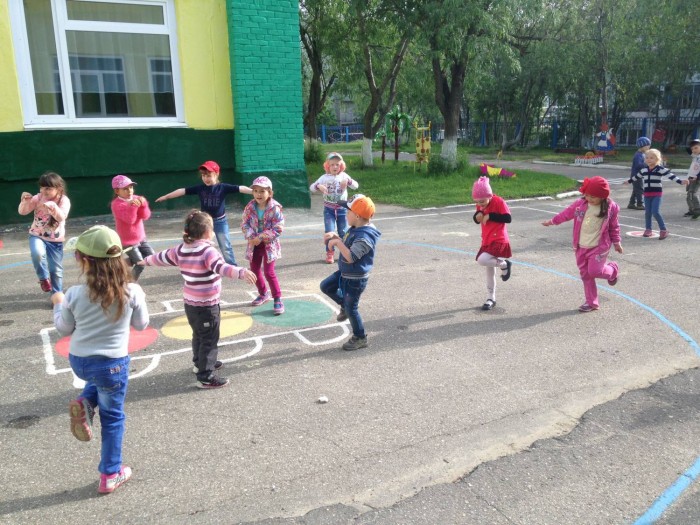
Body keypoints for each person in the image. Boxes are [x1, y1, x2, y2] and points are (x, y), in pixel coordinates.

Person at [52, 225, 149, 494]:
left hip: (80, 361)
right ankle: (110, 474)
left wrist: (58, 304)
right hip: (112, 364)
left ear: (83, 260)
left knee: (98, 381)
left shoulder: (74, 293)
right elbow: (142, 325)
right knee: (113, 417)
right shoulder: (132, 291)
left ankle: (85, 401)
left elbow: (64, 329)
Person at [140, 210, 256, 388]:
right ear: (207, 231)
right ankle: (205, 376)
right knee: (209, 339)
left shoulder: (181, 249)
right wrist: (241, 272)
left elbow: (160, 258)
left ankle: (199, 363)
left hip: (190, 304)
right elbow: (221, 267)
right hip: (206, 304)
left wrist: (144, 260)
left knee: (199, 335)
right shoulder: (207, 251)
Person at [542, 177, 622, 312]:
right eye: (587, 195)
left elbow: (614, 226)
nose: (589, 199)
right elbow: (566, 214)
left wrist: (617, 242)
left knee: (595, 271)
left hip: (599, 247)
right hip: (581, 246)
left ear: (603, 197)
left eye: (593, 197)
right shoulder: (581, 204)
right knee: (586, 275)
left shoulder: (611, 208)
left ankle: (613, 270)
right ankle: (591, 303)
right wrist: (552, 221)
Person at [154, 160, 252, 265]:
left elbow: (241, 188)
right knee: (204, 246)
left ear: (217, 174)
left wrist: (253, 192)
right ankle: (207, 266)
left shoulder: (223, 187)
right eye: (203, 176)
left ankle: (232, 266)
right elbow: (182, 191)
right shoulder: (200, 188)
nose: (206, 178)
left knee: (225, 246)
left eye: (209, 175)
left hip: (220, 222)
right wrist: (166, 197)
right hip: (204, 223)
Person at [320, 194, 381, 351]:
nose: (345, 214)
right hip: (345, 273)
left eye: (348, 212)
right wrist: (335, 236)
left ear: (358, 216)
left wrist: (338, 243)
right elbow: (347, 242)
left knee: (352, 308)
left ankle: (360, 337)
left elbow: (351, 256)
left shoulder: (365, 236)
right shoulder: (355, 228)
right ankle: (343, 305)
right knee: (326, 286)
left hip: (355, 279)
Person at [18, 171, 71, 294]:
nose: (43, 191)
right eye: (41, 187)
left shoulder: (64, 200)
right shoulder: (38, 198)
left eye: (48, 188)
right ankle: (43, 278)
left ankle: (57, 295)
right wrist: (25, 201)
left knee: (56, 270)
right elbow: (23, 212)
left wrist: (53, 207)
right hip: (37, 235)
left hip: (55, 239)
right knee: (37, 253)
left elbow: (61, 217)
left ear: (58, 188)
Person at [241, 176, 285, 315]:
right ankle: (263, 293)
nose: (258, 194)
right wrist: (251, 236)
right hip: (254, 244)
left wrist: (261, 237)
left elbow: (278, 227)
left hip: (268, 245)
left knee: (269, 272)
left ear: (270, 193)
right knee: (254, 270)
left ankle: (277, 298)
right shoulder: (250, 207)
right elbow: (245, 223)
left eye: (262, 191)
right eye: (256, 191)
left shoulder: (274, 208)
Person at [625, 148, 688, 239]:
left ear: (657, 159)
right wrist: (629, 181)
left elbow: (671, 176)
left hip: (656, 194)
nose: (648, 160)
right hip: (647, 194)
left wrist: (681, 181)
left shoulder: (660, 169)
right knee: (648, 213)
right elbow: (636, 177)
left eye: (651, 158)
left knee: (655, 212)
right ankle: (648, 229)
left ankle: (663, 230)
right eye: (647, 158)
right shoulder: (644, 170)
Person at [471, 176, 512, 311]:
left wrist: (491, 216)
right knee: (489, 271)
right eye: (477, 201)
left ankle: (505, 264)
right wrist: (477, 217)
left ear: (489, 195)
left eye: (482, 201)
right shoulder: (480, 204)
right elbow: (478, 216)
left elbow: (508, 218)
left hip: (499, 240)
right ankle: (491, 298)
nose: (481, 204)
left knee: (482, 260)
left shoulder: (499, 202)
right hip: (487, 239)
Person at [309, 152, 359, 264]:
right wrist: (318, 186)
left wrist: (348, 181)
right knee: (329, 231)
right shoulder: (324, 177)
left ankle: (345, 253)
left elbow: (356, 186)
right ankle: (330, 253)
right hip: (329, 210)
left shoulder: (344, 176)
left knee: (343, 232)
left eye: (337, 164)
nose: (335, 167)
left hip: (342, 209)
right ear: (327, 166)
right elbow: (311, 188)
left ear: (341, 166)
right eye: (332, 165)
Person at [110, 175, 154, 281]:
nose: (129, 191)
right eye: (125, 189)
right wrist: (134, 206)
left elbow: (145, 216)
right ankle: (130, 284)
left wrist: (143, 205)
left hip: (141, 238)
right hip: (128, 241)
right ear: (117, 191)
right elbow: (130, 220)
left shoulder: (135, 198)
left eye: (131, 187)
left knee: (151, 257)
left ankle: (117, 265)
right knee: (140, 264)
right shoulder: (117, 204)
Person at [627, 137, 650, 210]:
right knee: (640, 189)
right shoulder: (638, 155)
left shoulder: (642, 154)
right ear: (642, 146)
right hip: (636, 175)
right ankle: (640, 204)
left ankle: (631, 203)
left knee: (635, 190)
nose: (648, 147)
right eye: (647, 146)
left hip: (638, 175)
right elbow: (638, 165)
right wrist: (646, 164)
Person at [684, 138, 700, 219]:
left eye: (696, 148)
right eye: (692, 149)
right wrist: (692, 144)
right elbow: (687, 149)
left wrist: (698, 176)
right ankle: (691, 210)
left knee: (692, 193)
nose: (694, 150)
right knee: (688, 194)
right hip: (690, 177)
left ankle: (697, 210)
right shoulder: (695, 155)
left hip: (696, 178)